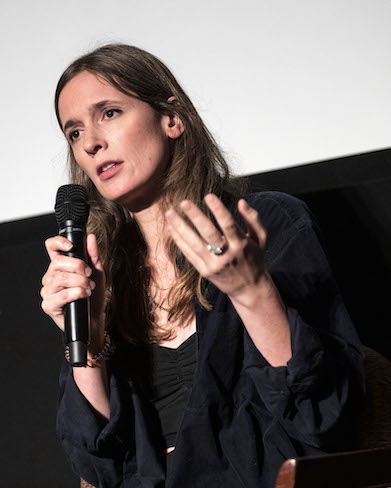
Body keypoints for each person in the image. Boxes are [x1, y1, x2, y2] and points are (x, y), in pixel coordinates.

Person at [40, 44, 365, 488]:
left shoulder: (265, 224)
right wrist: (90, 340)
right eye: (74, 133)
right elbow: (100, 467)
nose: (91, 142)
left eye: (109, 113)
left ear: (172, 118)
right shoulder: (99, 272)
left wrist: (252, 293)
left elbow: (326, 417)